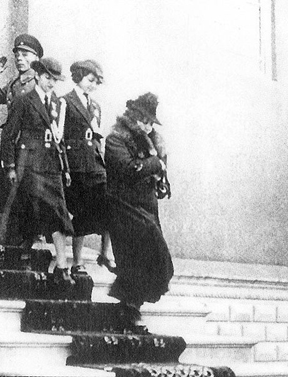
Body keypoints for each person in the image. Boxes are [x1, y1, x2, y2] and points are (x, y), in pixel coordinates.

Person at [0, 57, 75, 285]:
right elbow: (9, 136)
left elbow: (59, 141)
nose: (51, 83)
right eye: (47, 78)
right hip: (29, 166)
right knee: (33, 212)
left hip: (51, 166)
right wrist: (10, 166)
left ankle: (62, 266)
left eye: (55, 80)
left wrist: (66, 169)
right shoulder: (24, 101)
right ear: (38, 76)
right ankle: (24, 258)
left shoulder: (58, 106)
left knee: (58, 212)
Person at [104, 92, 173, 329]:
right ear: (132, 117)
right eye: (143, 119)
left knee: (152, 259)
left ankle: (132, 307)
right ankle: (128, 309)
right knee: (138, 255)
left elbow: (158, 169)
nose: (147, 125)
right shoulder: (116, 139)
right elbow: (127, 169)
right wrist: (155, 164)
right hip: (124, 205)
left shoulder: (153, 141)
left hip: (147, 205)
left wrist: (162, 177)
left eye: (151, 121)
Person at [0, 34, 44, 245]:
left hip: (29, 151)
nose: (19, 58)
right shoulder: (14, 83)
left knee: (26, 202)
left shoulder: (36, 83)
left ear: (36, 57)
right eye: (17, 54)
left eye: (25, 54)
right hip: (13, 148)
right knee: (14, 203)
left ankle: (25, 249)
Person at [60, 60, 115, 275]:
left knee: (109, 204)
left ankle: (105, 254)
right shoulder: (65, 102)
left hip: (95, 164)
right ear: (78, 77)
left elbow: (98, 136)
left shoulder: (95, 106)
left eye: (96, 83)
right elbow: (60, 136)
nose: (92, 85)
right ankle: (77, 260)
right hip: (76, 166)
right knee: (81, 213)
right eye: (89, 80)